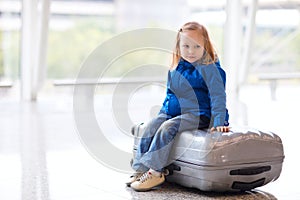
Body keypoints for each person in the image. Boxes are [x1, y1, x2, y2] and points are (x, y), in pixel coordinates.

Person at [126, 22, 230, 192]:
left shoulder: (210, 69)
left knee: (168, 128)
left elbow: (218, 97)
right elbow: (170, 95)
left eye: (197, 46)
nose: (191, 51)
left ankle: (155, 172)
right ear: (179, 47)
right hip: (174, 111)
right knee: (151, 127)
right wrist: (162, 114)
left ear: (205, 46)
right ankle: (141, 169)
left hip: (199, 113)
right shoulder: (175, 68)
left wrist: (219, 121)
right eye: (186, 46)